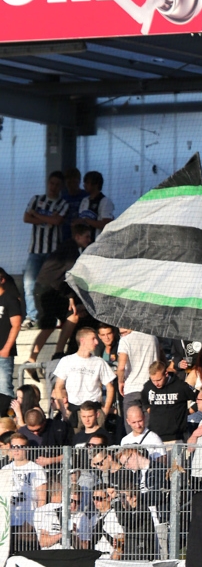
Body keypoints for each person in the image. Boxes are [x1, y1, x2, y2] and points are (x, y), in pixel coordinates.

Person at [25, 224, 93, 376]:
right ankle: (31, 360)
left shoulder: (72, 250)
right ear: (77, 236)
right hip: (46, 291)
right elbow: (71, 275)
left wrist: (71, 298)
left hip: (57, 291)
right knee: (48, 325)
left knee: (73, 316)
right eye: (87, 236)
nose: (89, 240)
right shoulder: (70, 250)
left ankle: (58, 354)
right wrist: (71, 296)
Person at [22, 171, 69, 329]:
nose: (53, 187)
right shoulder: (36, 199)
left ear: (61, 187)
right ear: (47, 183)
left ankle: (52, 316)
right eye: (51, 183)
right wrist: (46, 218)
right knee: (29, 283)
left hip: (52, 253)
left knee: (51, 286)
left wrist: (37, 215)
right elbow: (26, 218)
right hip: (35, 251)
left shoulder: (63, 204)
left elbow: (57, 221)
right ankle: (31, 316)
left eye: (57, 185)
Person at [52, 327, 116, 422]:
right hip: (74, 410)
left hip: (95, 409)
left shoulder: (99, 362)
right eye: (93, 339)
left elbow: (110, 387)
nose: (97, 342)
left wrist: (105, 410)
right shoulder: (66, 361)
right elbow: (58, 387)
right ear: (83, 340)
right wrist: (63, 410)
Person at [7, 433, 47, 550]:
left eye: (20, 446)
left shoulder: (36, 469)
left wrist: (38, 520)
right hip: (10, 519)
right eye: (13, 446)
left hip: (28, 520)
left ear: (27, 449)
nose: (16, 450)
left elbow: (42, 497)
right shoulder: (5, 469)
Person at [141, 361, 196, 443]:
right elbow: (144, 399)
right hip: (155, 437)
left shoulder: (180, 386)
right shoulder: (148, 386)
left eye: (159, 380)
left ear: (166, 374)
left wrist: (189, 411)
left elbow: (201, 397)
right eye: (153, 380)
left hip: (176, 437)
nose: (156, 383)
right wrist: (149, 410)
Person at [116, 328, 161, 413]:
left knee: (133, 424)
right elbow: (160, 362)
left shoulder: (125, 340)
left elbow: (121, 367)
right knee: (149, 425)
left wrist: (120, 381)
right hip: (151, 387)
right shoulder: (153, 338)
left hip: (132, 388)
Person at [33, 475, 83, 550]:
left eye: (78, 502)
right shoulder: (52, 513)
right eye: (71, 501)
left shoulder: (82, 517)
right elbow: (43, 542)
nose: (74, 504)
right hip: (52, 554)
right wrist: (63, 534)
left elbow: (85, 547)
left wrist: (74, 535)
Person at [0, 269, 23, 401]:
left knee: (4, 389)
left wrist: (6, 349)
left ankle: (8, 420)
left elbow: (16, 325)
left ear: (2, 280)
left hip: (3, 354)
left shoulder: (10, 299)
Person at [74, 171, 114, 241]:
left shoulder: (105, 201)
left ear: (96, 184)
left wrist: (86, 221)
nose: (84, 185)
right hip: (83, 245)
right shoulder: (84, 201)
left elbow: (106, 224)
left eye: (87, 183)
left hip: (98, 244)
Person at [90, 486, 124, 559]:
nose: (95, 502)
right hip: (95, 557)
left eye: (99, 499)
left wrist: (114, 559)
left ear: (108, 498)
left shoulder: (114, 516)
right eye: (94, 498)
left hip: (108, 558)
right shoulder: (94, 518)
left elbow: (120, 542)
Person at [60, 167, 88, 242]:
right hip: (66, 235)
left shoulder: (86, 196)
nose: (71, 185)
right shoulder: (62, 198)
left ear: (79, 182)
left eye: (74, 182)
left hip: (83, 235)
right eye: (69, 183)